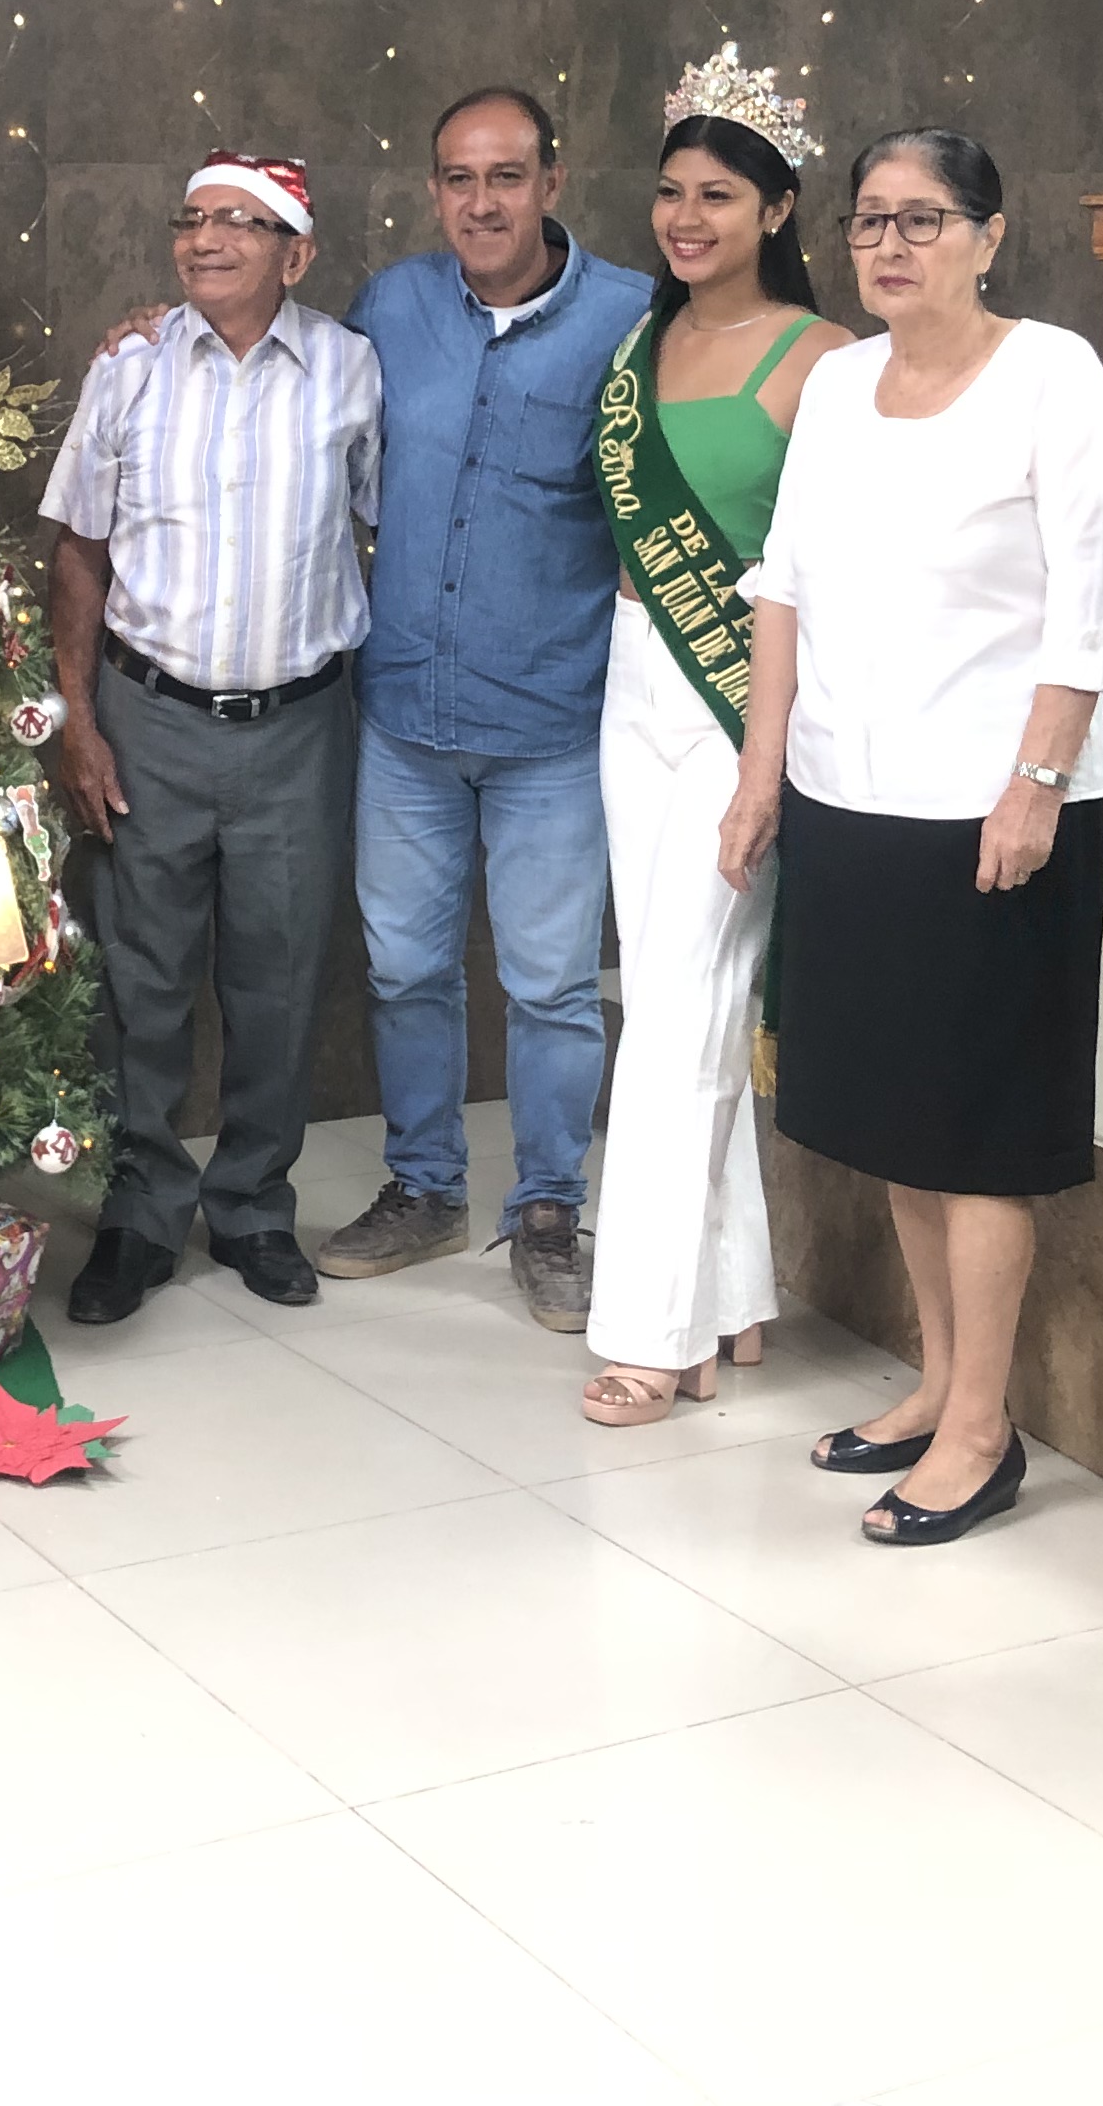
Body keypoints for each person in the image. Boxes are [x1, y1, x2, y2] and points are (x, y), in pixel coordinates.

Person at [719, 128, 1103, 1545]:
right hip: (850, 798)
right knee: (899, 1118)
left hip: (992, 812)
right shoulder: (840, 382)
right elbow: (782, 584)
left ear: (990, 236)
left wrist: (1038, 780)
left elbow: (1090, 598)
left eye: (924, 219)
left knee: (978, 1131)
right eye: (870, 221)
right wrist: (763, 771)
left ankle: (983, 1427)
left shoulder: (1052, 375)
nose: (891, 245)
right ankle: (939, 1383)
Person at [317, 86, 654, 1325]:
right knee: (405, 970)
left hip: (552, 723)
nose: (482, 202)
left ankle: (550, 1211)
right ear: (434, 191)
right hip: (404, 713)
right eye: (458, 179)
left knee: (553, 985)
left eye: (506, 176)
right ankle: (426, 1188)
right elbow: (298, 395)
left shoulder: (633, 317)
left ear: (553, 183)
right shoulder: (392, 307)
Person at [41, 147, 382, 1323]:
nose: (206, 239)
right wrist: (80, 723)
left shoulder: (351, 371)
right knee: (141, 979)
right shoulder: (130, 367)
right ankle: (140, 1215)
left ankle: (251, 1209)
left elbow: (388, 516)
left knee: (280, 977)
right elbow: (79, 549)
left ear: (298, 253)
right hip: (150, 720)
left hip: (298, 727)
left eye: (240, 221)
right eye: (191, 218)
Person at [577, 69, 844, 1426]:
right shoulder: (641, 344)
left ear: (776, 210)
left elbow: (835, 571)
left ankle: (647, 1330)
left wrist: (768, 757)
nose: (687, 217)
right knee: (683, 992)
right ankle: (730, 1294)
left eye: (720, 196)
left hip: (743, 691)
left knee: (679, 1009)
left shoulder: (824, 359)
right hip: (633, 677)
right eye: (672, 192)